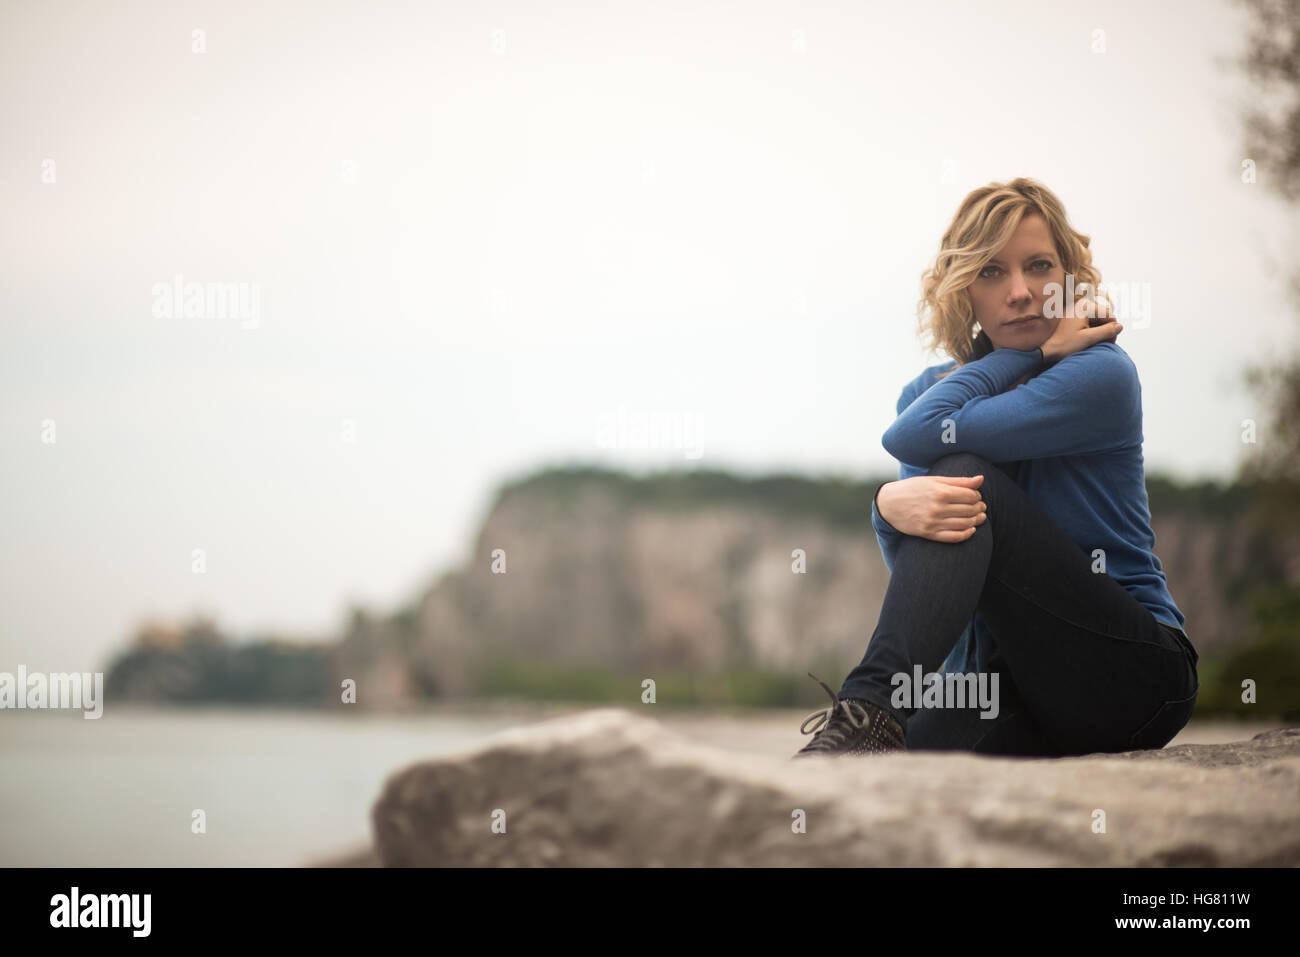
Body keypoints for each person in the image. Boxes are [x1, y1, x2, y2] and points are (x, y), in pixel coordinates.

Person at [793, 177, 1198, 759]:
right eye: (991, 271)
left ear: (1067, 280)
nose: (1021, 292)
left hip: (1130, 676)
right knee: (879, 770)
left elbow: (907, 435)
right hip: (1004, 687)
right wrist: (887, 513)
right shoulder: (931, 392)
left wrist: (1029, 355)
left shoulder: (1099, 374)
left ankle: (868, 709)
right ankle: (867, 730)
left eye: (1038, 267)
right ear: (963, 290)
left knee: (960, 467)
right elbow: (934, 575)